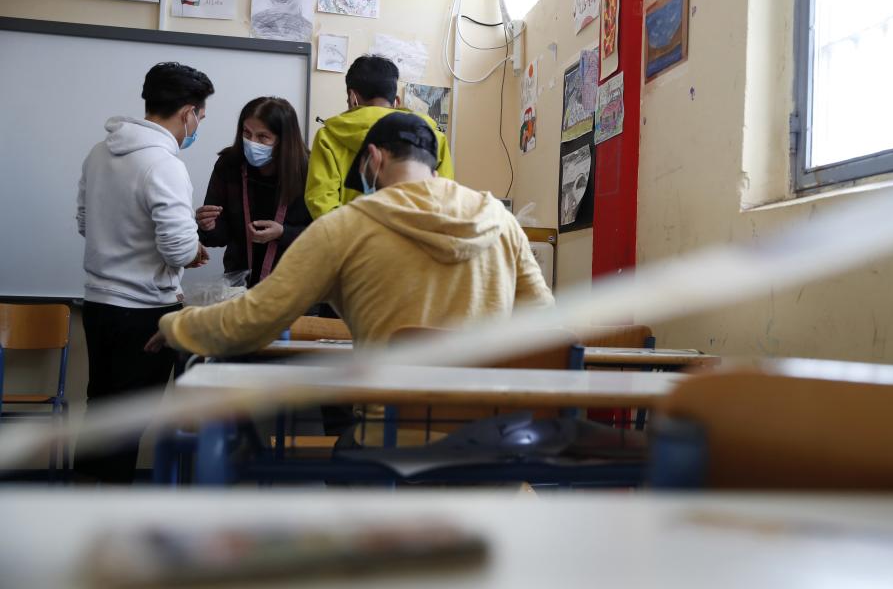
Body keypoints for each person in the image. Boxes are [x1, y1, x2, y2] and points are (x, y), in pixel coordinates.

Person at [155, 112, 552, 356]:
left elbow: (257, 318)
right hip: (494, 438)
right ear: (434, 163)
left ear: (374, 158)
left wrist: (175, 327)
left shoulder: (345, 226)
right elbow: (547, 323)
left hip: (392, 448)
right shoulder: (500, 222)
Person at [74, 62, 214, 484]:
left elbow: (86, 221)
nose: (197, 126)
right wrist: (192, 251)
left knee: (100, 414)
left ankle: (83, 512)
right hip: (142, 312)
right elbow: (177, 246)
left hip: (99, 305)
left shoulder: (100, 152)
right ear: (188, 112)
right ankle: (108, 526)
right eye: (200, 118)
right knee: (127, 425)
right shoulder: (164, 163)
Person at [304, 55, 455, 219]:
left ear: (353, 97)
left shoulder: (328, 137)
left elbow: (320, 201)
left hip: (349, 239)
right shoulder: (434, 137)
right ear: (396, 101)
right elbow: (443, 199)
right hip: (413, 238)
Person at [195, 97, 311, 289]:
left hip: (296, 284)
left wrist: (283, 233)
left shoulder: (309, 169)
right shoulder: (229, 164)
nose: (251, 142)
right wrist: (208, 226)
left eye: (262, 137)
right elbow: (219, 237)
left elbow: (326, 234)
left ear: (284, 140)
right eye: (247, 133)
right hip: (240, 283)